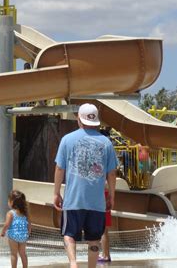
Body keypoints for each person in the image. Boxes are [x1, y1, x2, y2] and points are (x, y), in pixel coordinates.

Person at [53, 103, 118, 268]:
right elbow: (111, 173)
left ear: (79, 119)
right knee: (94, 238)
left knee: (69, 234)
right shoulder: (107, 143)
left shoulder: (67, 140)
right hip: (96, 202)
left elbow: (60, 168)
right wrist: (111, 195)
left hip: (73, 200)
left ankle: (73, 264)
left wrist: (56, 193)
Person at [0, 190, 31, 268]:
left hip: (13, 236)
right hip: (23, 236)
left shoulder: (10, 213)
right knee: (23, 254)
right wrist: (28, 233)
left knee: (14, 254)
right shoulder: (25, 213)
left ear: (12, 202)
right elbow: (29, 224)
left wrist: (3, 232)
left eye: (8, 200)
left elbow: (7, 224)